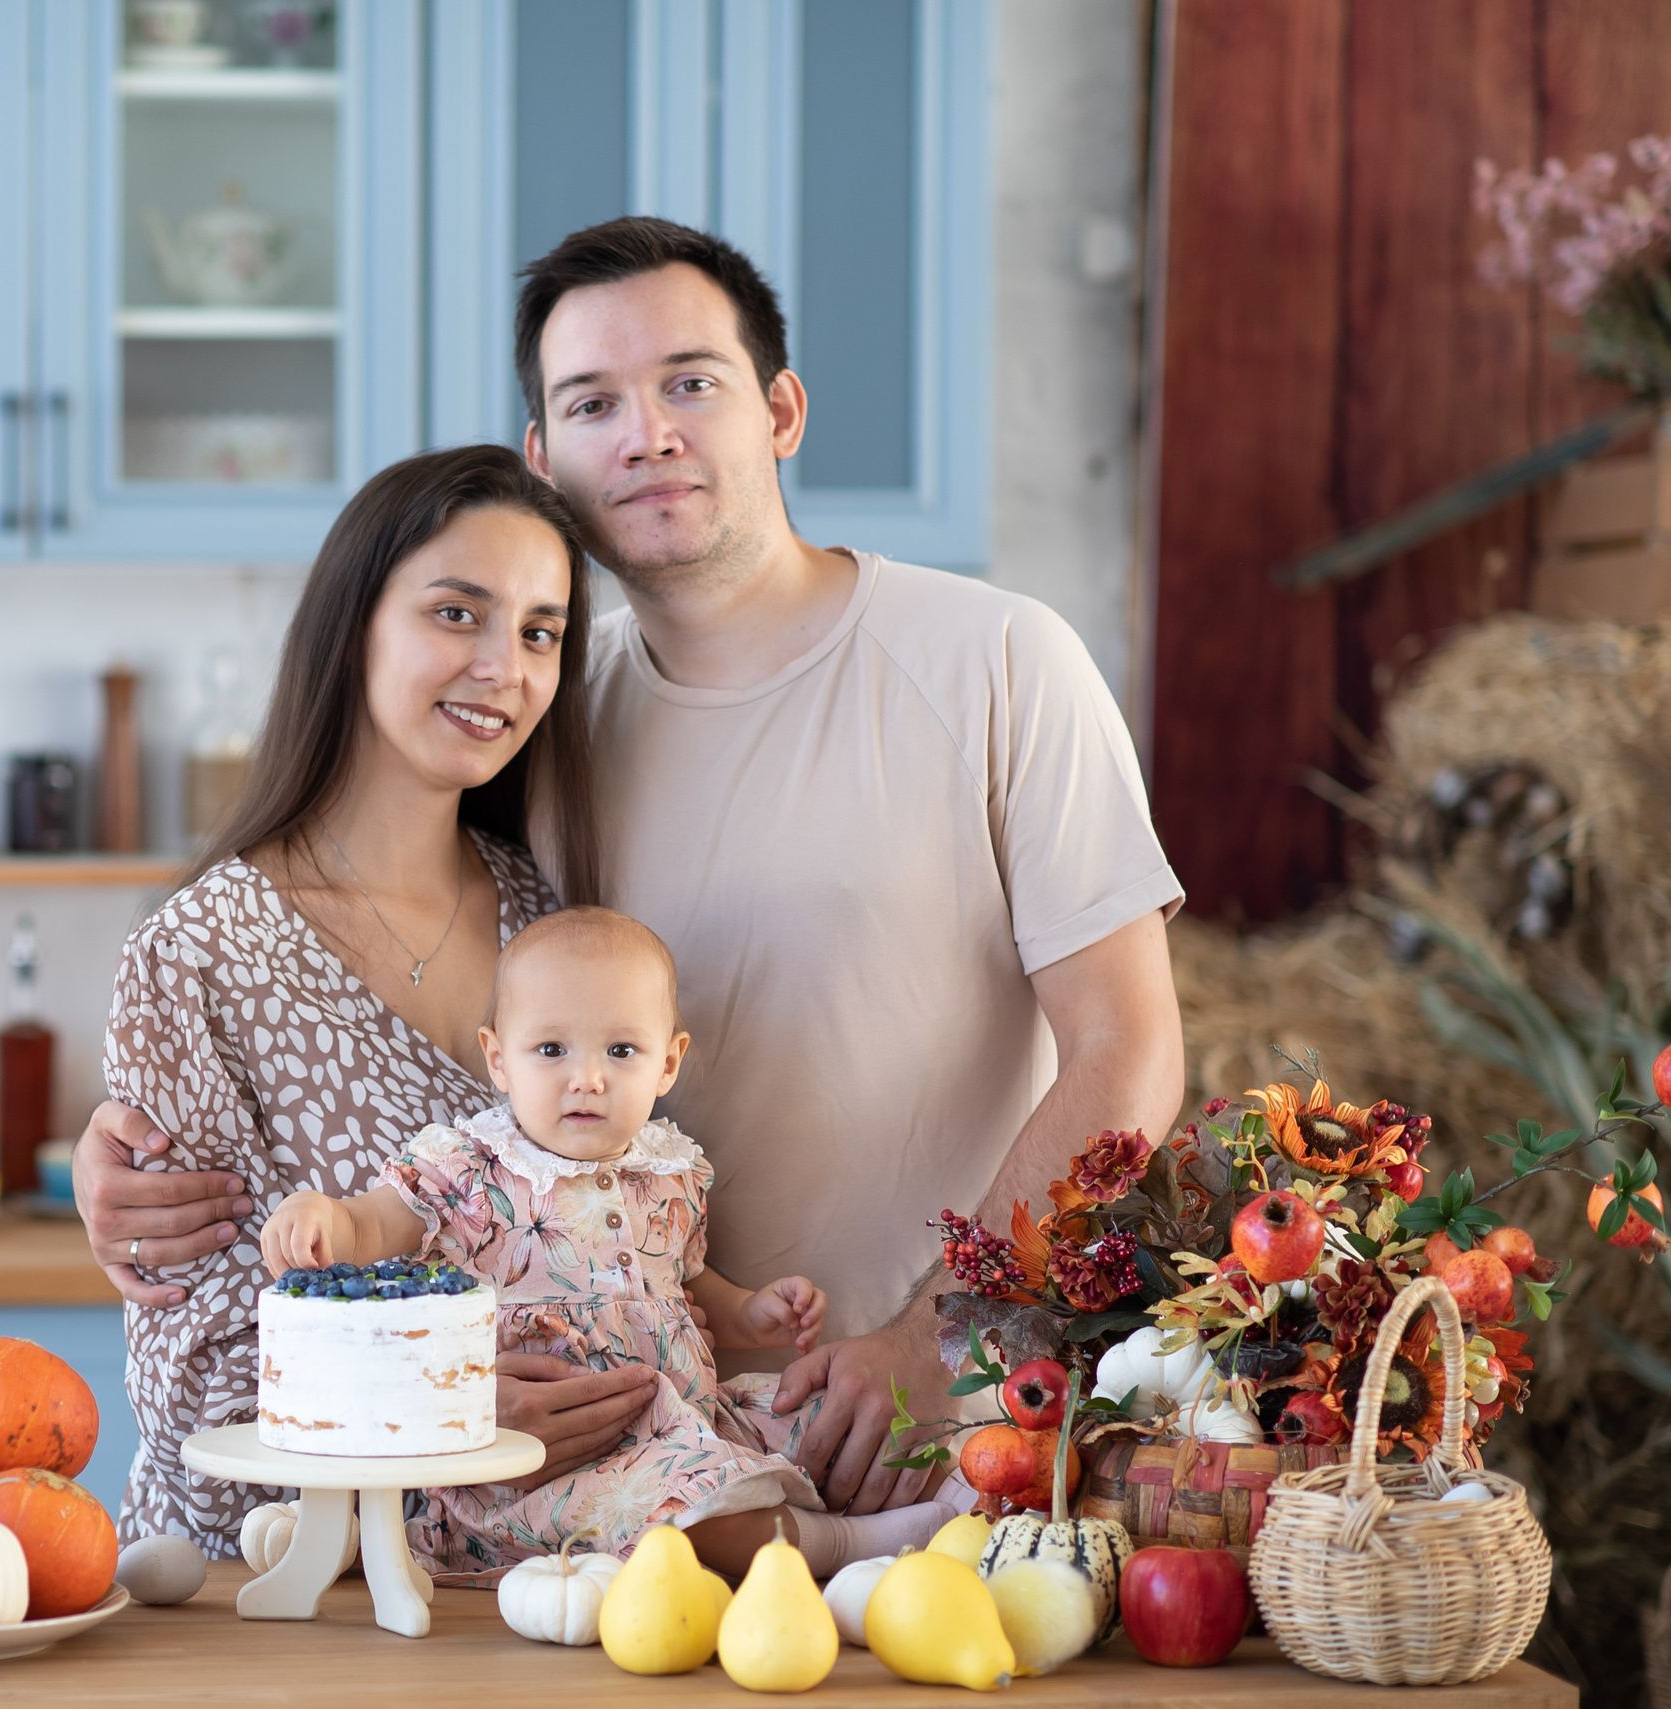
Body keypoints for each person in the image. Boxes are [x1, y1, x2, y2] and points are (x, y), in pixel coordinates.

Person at [80, 217, 1187, 1516]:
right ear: (547, 459)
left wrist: (946, 1335)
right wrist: (131, 1158)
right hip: (634, 1478)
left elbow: (1127, 1053)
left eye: (690, 383)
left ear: (780, 408)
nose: (648, 432)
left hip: (947, 1439)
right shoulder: (542, 719)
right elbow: (441, 1070)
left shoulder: (999, 660)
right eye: (594, 400)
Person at [102, 444, 650, 1551]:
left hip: (536, 1583)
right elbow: (193, 1374)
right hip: (268, 1608)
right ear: (354, 622)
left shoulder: (542, 915)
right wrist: (440, 1409)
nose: (505, 666)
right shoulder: (200, 953)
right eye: (459, 613)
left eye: (540, 631)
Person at [262, 906, 973, 1582]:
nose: (588, 1076)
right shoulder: (468, 1167)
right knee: (684, 1517)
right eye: (550, 1049)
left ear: (667, 1063)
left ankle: (970, 1494)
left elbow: (685, 1285)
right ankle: (849, 1547)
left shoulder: (671, 1171)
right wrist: (321, 1214)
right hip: (554, 1458)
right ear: (498, 1058)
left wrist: (751, 1309)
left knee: (823, 1425)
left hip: (684, 1415)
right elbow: (375, 1221)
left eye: (621, 1049)